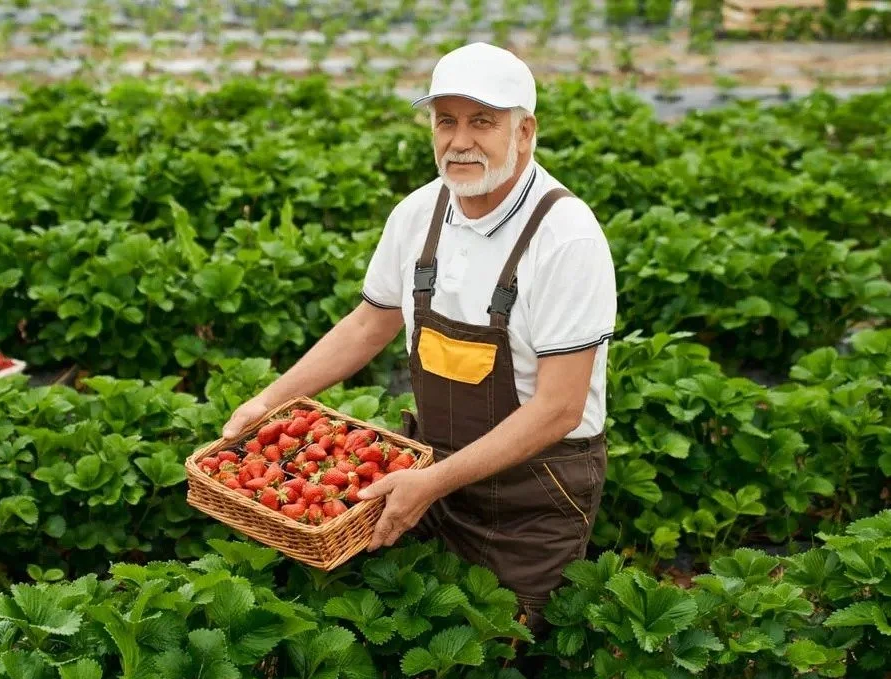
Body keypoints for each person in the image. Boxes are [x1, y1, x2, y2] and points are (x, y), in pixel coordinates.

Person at [222, 41, 616, 639]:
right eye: (445, 120)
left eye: (483, 121)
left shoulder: (565, 238)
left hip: (534, 492)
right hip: (428, 470)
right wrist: (267, 402)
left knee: (500, 659)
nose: (461, 140)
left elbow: (560, 407)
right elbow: (367, 324)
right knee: (402, 636)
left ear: (525, 130)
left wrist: (429, 482)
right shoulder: (418, 214)